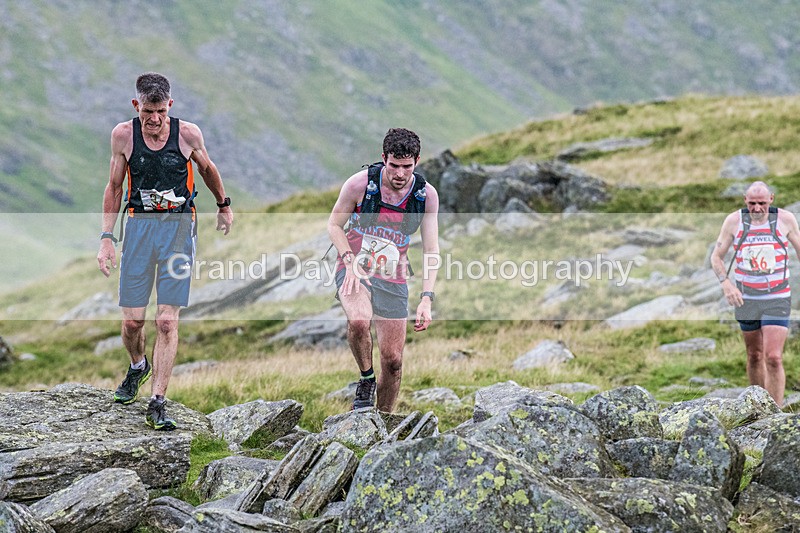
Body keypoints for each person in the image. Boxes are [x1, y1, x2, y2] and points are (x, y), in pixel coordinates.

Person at [97, 72, 233, 429]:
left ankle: (158, 401)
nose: (153, 120)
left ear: (169, 105)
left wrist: (223, 204)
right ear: (135, 105)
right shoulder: (123, 136)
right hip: (139, 229)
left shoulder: (187, 134)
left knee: (167, 320)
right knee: (132, 322)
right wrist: (106, 238)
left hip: (177, 230)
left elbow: (207, 168)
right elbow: (113, 186)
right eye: (146, 112)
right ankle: (138, 365)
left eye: (159, 111)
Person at [328, 128, 440, 412]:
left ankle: (384, 421)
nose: (400, 174)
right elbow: (334, 225)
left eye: (407, 166)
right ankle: (366, 379)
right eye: (393, 166)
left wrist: (426, 298)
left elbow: (431, 249)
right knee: (358, 320)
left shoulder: (425, 196)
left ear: (417, 161)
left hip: (393, 274)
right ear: (383, 159)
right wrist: (349, 262)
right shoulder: (359, 185)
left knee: (393, 361)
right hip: (354, 264)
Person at [711, 181, 800, 406]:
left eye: (762, 203)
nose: (757, 208)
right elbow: (716, 257)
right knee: (754, 355)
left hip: (777, 296)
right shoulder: (733, 221)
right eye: (752, 203)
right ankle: (756, 407)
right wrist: (727, 284)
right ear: (745, 200)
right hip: (746, 298)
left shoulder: (785, 219)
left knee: (773, 357)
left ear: (771, 198)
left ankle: (774, 414)